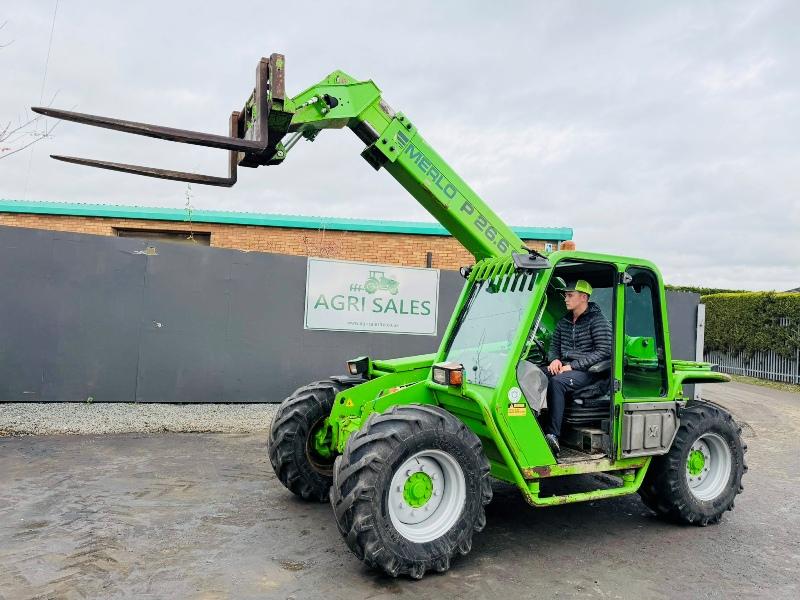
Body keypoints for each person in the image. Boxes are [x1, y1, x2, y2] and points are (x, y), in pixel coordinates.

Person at [544, 279, 611, 456]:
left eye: (570, 295)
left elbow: (604, 351)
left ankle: (552, 435)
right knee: (536, 374)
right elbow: (554, 346)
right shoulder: (564, 321)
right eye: (565, 295)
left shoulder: (598, 321)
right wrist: (555, 360)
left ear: (583, 297)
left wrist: (573, 366)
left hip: (589, 373)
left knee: (557, 382)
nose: (565, 299)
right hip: (566, 368)